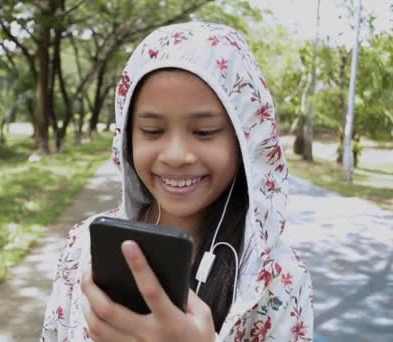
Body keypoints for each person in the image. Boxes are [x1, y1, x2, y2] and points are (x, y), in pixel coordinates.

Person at [41, 21, 313, 341]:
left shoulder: (277, 279)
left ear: (246, 140)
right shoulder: (82, 249)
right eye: (152, 131)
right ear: (127, 138)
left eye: (204, 132)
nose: (176, 155)